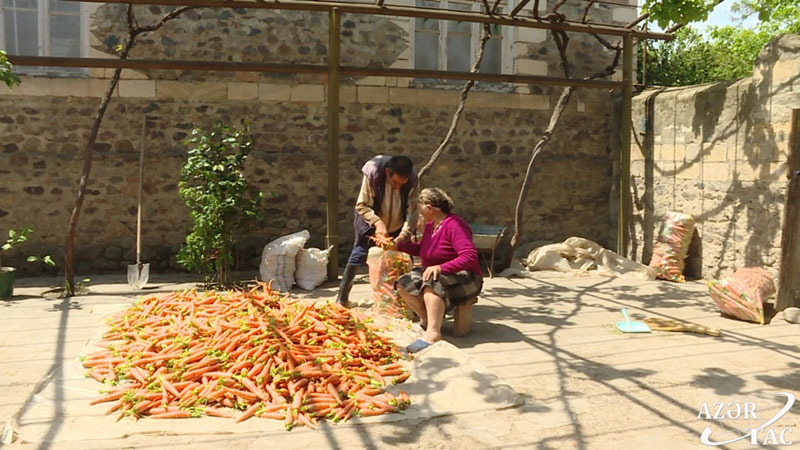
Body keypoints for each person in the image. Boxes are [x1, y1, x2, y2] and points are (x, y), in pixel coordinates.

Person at [394, 187, 483, 353]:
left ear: (429, 208)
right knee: (403, 283)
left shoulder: (455, 225)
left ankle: (433, 334)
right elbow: (424, 249)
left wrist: (441, 267)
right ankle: (429, 321)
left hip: (466, 276)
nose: (419, 212)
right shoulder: (431, 226)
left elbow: (469, 256)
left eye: (420, 208)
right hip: (439, 272)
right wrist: (399, 246)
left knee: (431, 282)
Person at [336, 155, 417, 306]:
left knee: (404, 260)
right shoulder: (373, 173)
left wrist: (403, 235)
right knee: (359, 253)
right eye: (395, 182)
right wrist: (378, 223)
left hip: (398, 224)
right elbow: (362, 205)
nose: (398, 187)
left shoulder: (412, 180)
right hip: (371, 221)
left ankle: (407, 303)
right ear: (387, 172)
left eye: (402, 184)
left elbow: (412, 212)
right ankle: (342, 299)